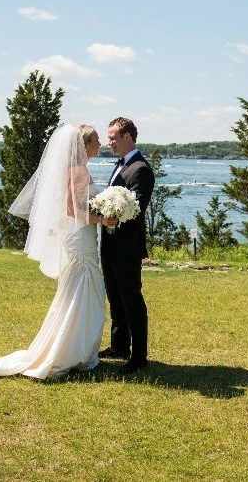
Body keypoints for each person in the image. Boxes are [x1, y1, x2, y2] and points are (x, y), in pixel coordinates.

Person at [0, 124, 117, 380]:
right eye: (96, 140)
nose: (99, 144)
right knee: (84, 287)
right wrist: (102, 220)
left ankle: (75, 347)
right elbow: (72, 210)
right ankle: (69, 352)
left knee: (79, 290)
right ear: (84, 145)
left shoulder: (75, 169)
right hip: (81, 238)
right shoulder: (78, 170)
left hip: (79, 235)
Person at [99, 117, 155, 373]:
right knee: (114, 296)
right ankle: (119, 345)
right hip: (109, 243)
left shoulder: (141, 169)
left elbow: (137, 207)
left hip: (127, 246)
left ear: (128, 137)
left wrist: (114, 214)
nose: (109, 142)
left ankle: (139, 355)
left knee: (131, 298)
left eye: (112, 137)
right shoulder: (120, 165)